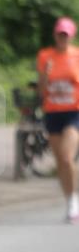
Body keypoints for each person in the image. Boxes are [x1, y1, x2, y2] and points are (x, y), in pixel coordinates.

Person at [36, 16, 79, 223]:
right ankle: (70, 198)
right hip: (53, 112)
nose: (63, 38)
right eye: (60, 34)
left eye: (66, 35)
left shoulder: (77, 55)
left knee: (66, 157)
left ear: (72, 36)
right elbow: (41, 89)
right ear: (55, 35)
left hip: (74, 111)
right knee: (59, 163)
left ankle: (74, 203)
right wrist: (45, 74)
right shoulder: (45, 56)